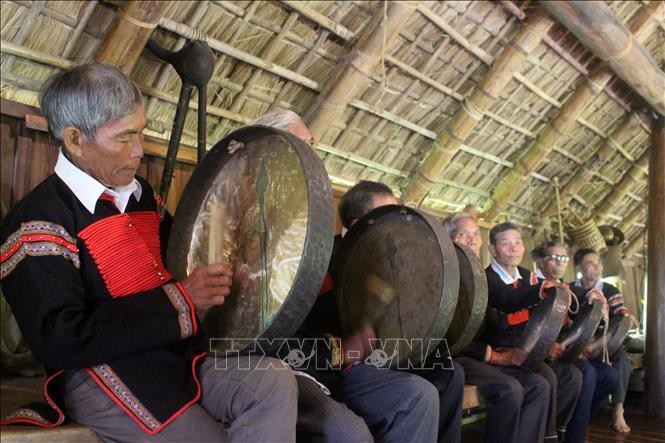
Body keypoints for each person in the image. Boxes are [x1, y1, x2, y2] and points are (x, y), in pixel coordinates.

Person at [0, 64, 298, 442]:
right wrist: (181, 298)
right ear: (75, 139)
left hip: (173, 353)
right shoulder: (38, 221)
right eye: (124, 138)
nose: (139, 150)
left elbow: (184, 262)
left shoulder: (143, 197)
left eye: (140, 133)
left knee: (271, 384)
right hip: (98, 373)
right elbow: (60, 339)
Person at [245, 109, 373, 442]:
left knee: (417, 392)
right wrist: (335, 351)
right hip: (266, 362)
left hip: (314, 359)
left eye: (312, 144)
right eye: (302, 145)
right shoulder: (246, 212)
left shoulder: (305, 221)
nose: (312, 154)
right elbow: (256, 327)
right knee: (349, 433)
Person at [328, 181, 463, 443]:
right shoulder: (327, 257)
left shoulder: (392, 257)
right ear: (358, 223)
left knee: (450, 372)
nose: (395, 223)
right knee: (418, 392)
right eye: (385, 215)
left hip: (387, 355)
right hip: (342, 365)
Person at [444, 213, 550, 443]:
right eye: (464, 234)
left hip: (481, 351)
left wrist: (542, 292)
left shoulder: (477, 276)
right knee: (510, 389)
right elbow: (451, 338)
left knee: (539, 385)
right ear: (448, 239)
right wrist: (494, 355)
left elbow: (502, 306)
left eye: (476, 235)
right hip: (457, 355)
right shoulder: (445, 274)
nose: (472, 240)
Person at [484, 222, 583, 442]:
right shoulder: (486, 280)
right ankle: (545, 437)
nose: (514, 248)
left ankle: (555, 433)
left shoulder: (528, 277)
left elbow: (547, 307)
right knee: (544, 377)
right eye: (505, 243)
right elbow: (504, 309)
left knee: (572, 375)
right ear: (492, 250)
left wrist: (588, 298)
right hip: (501, 351)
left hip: (529, 350)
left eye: (518, 242)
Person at [533, 241, 618, 443]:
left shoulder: (566, 288)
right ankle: (571, 435)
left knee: (608, 375)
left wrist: (597, 301)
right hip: (538, 352)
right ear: (540, 261)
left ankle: (576, 423)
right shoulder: (532, 284)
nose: (559, 262)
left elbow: (577, 315)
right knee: (585, 372)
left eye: (563, 258)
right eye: (554, 257)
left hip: (561, 350)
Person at [571, 248, 635, 434]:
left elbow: (620, 319)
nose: (597, 266)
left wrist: (596, 345)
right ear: (579, 267)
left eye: (599, 262)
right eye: (591, 262)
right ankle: (578, 416)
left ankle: (618, 410)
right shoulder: (570, 288)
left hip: (604, 343)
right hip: (575, 345)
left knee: (622, 360)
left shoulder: (609, 290)